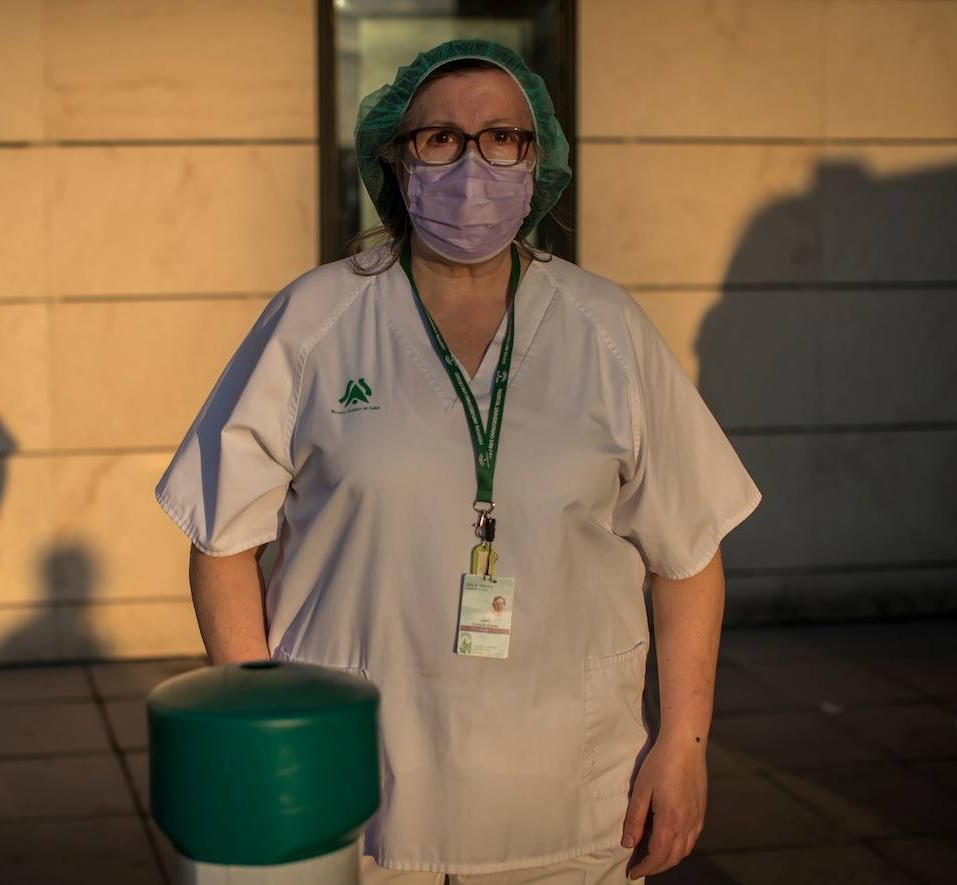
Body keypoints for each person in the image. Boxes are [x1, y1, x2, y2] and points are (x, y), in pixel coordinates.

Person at [156, 39, 760, 884]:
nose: (472, 162)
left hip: (570, 801)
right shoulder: (316, 319)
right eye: (439, 137)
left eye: (501, 137)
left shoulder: (607, 329)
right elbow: (221, 541)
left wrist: (684, 744)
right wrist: (266, 732)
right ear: (396, 161)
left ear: (536, 158)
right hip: (356, 795)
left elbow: (689, 552)